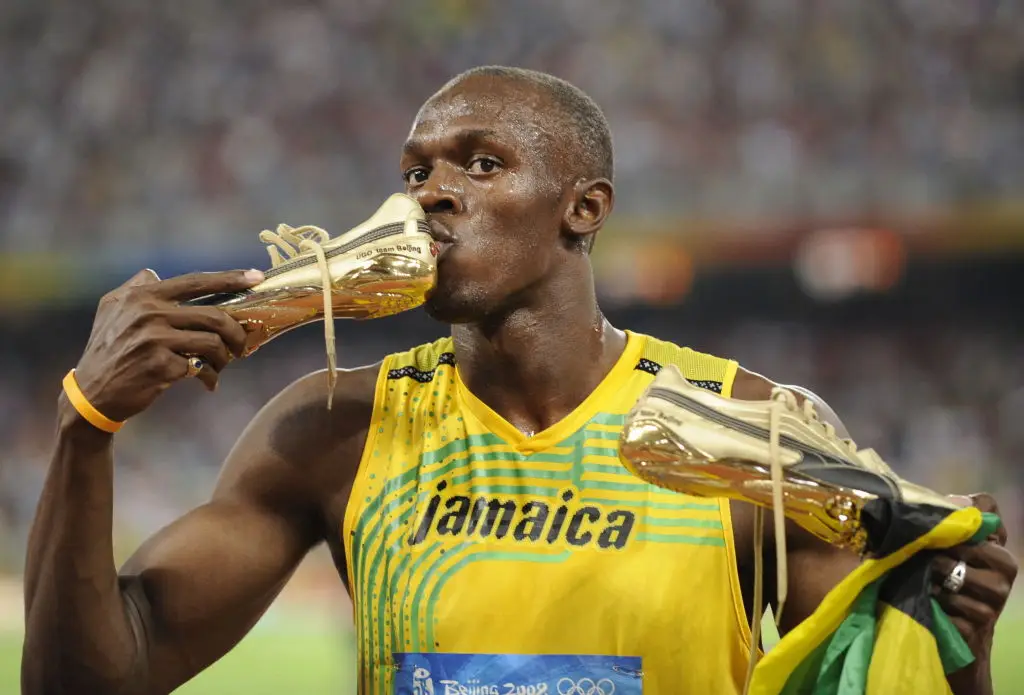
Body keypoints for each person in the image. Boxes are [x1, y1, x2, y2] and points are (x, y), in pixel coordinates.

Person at [21, 66, 1017, 695]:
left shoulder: (747, 426)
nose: (429, 194)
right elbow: (93, 674)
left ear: (582, 209)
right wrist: (85, 426)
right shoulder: (335, 426)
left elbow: (888, 676)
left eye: (480, 163)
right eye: (414, 173)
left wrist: (954, 638)